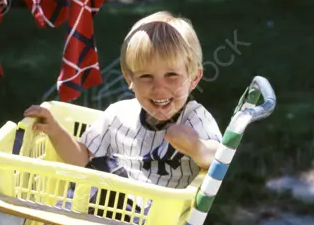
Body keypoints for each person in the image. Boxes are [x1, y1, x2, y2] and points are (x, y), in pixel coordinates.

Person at [23, 11, 222, 190]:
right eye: (146, 77)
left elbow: (220, 159)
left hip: (158, 220)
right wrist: (55, 131)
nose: (159, 88)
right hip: (110, 209)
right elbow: (82, 158)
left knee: (104, 174)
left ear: (194, 78)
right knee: (99, 170)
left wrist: (197, 148)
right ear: (130, 79)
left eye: (171, 75)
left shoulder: (194, 119)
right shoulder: (118, 115)